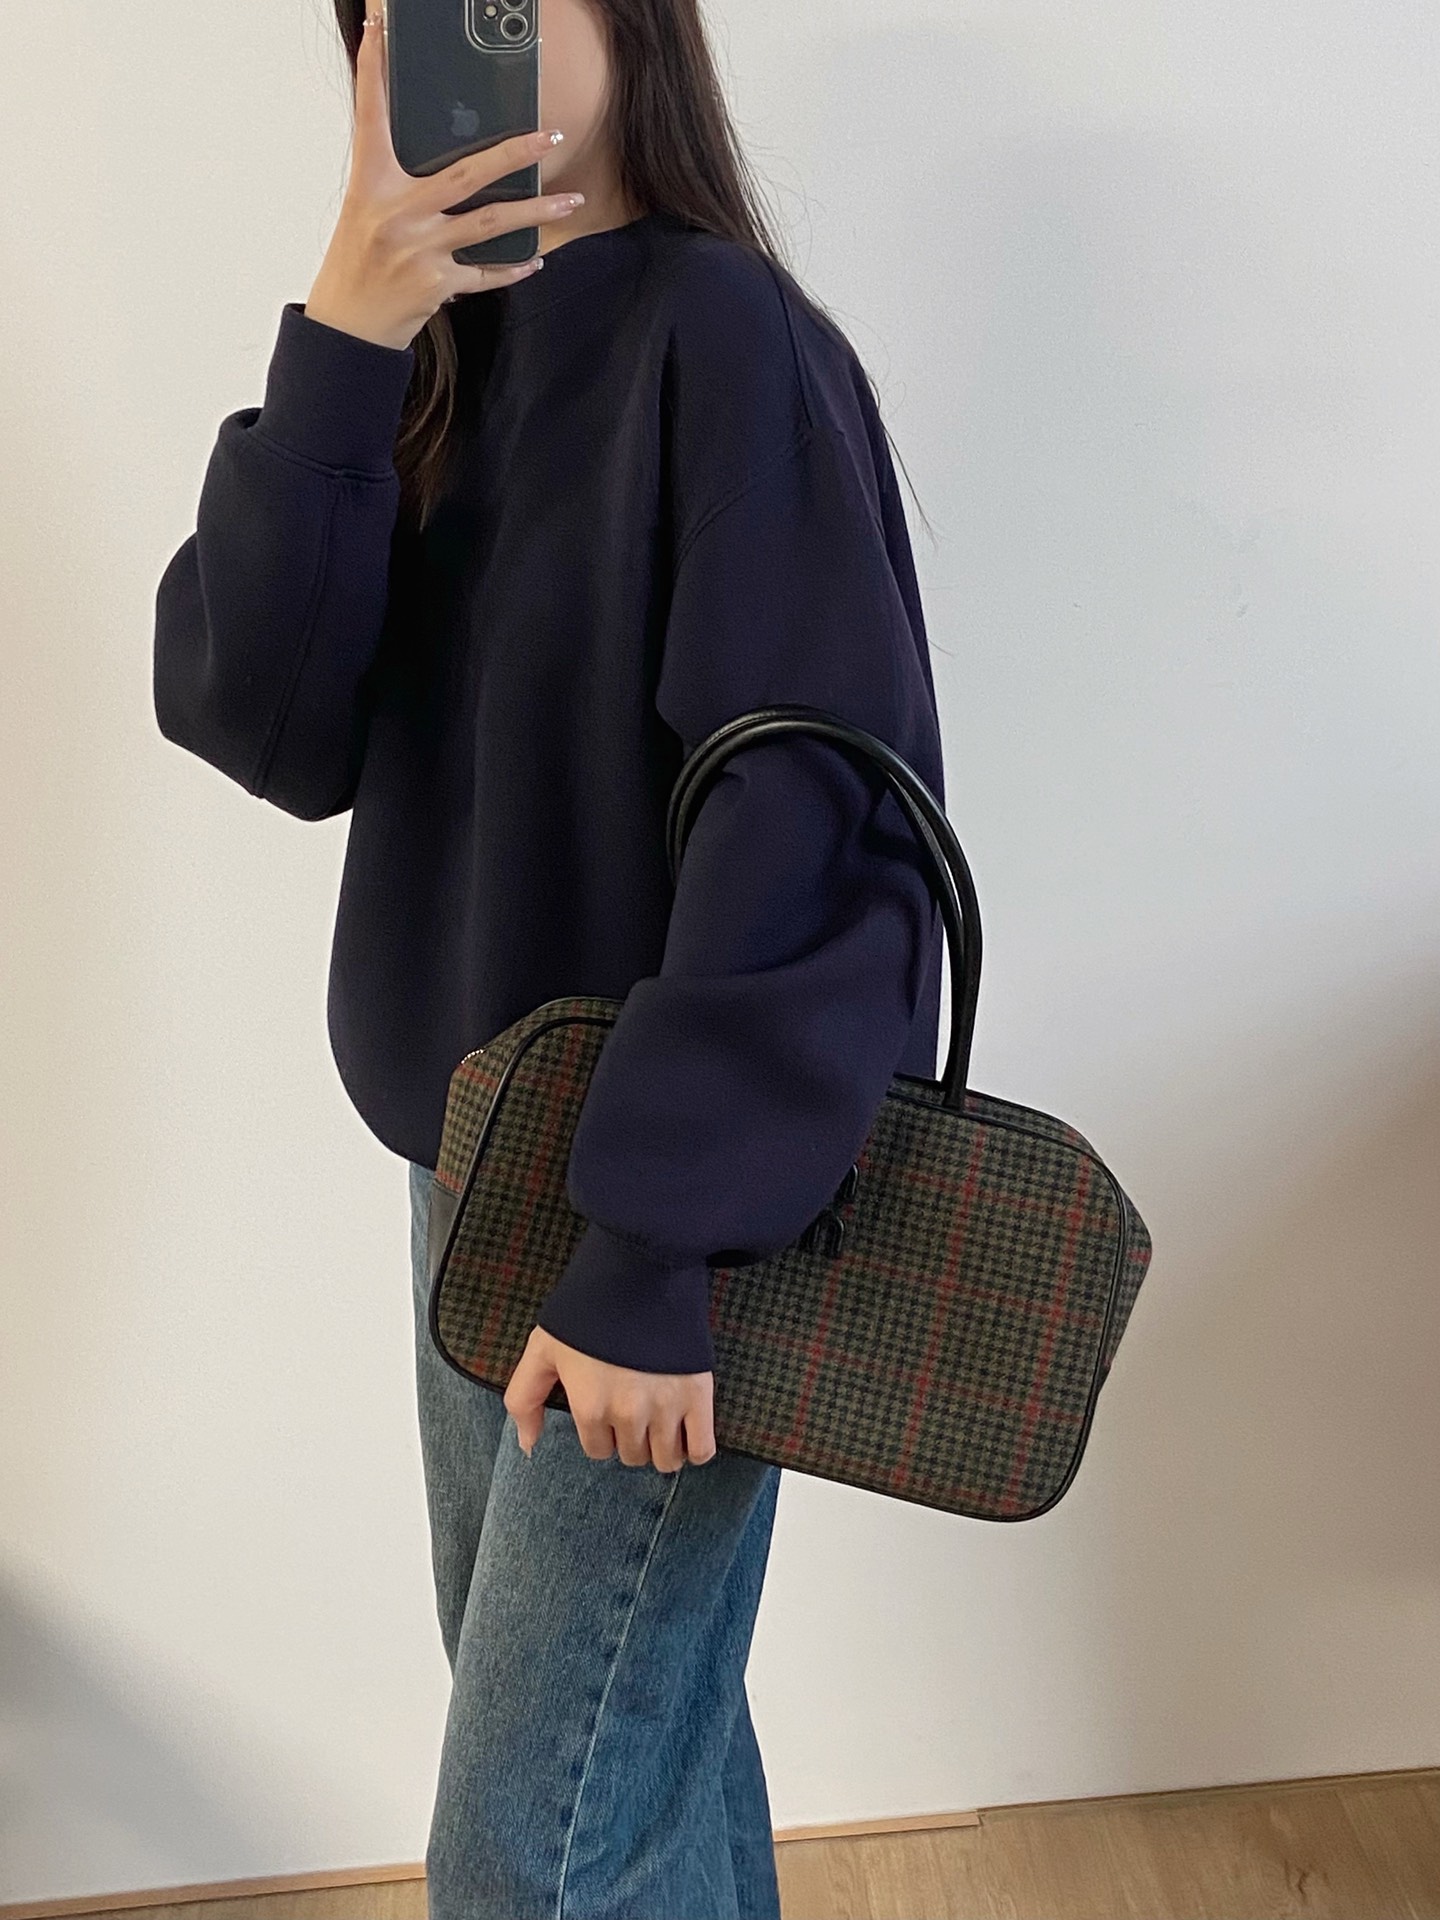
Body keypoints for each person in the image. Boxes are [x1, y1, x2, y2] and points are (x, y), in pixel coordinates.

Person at [152, 0, 946, 1912]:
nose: (444, 31)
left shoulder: (727, 338)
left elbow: (821, 824)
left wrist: (659, 1248)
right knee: (634, 1767)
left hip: (662, 1221)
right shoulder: (428, 363)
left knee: (530, 1850)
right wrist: (346, 336)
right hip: (473, 1175)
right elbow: (262, 721)